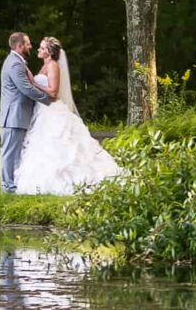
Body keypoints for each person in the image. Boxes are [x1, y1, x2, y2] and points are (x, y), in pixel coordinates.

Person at [13, 37, 122, 195]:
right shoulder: (44, 66)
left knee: (59, 143)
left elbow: (53, 91)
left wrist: (33, 83)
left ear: (49, 52)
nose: (38, 49)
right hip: (42, 111)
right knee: (42, 145)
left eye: (42, 48)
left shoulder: (53, 66)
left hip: (52, 111)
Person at [0, 32, 51, 194]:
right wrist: (48, 100)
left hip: (17, 116)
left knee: (14, 153)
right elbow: (26, 88)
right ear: (19, 46)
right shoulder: (15, 64)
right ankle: (7, 187)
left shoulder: (17, 61)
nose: (30, 46)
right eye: (27, 44)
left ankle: (12, 184)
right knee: (9, 153)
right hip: (14, 116)